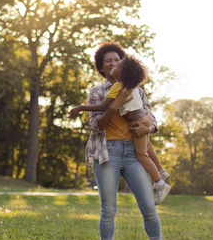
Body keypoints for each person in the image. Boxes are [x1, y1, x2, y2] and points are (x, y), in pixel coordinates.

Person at [81, 40, 179, 240]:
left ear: (123, 64)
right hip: (107, 154)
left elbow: (152, 119)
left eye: (117, 60)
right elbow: (95, 126)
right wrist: (113, 107)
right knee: (109, 209)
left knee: (149, 206)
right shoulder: (97, 92)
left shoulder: (138, 90)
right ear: (102, 68)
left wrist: (148, 128)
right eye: (108, 61)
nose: (113, 63)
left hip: (134, 154)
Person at [70, 54, 171, 205]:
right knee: (148, 148)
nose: (113, 66)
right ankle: (161, 171)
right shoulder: (133, 86)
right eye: (109, 62)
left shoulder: (118, 87)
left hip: (139, 123)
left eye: (117, 64)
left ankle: (160, 183)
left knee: (142, 155)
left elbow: (102, 107)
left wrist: (81, 108)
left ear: (123, 73)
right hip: (143, 119)